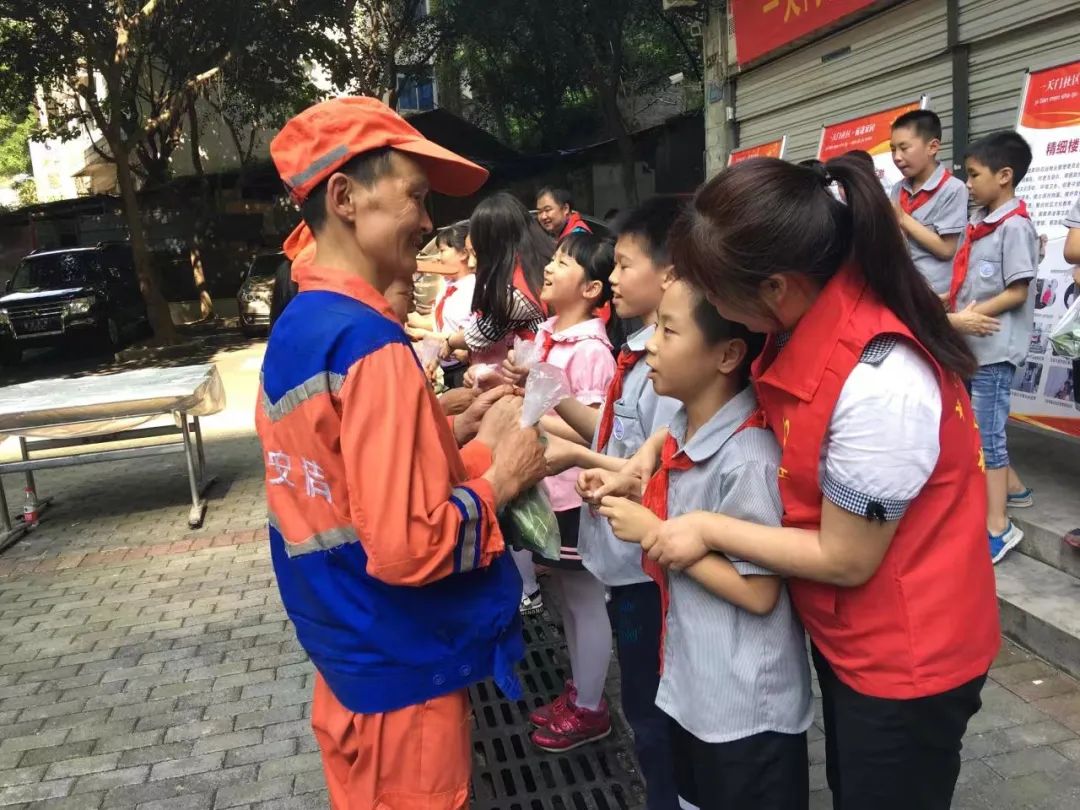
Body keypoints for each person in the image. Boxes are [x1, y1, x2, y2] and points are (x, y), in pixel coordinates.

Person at [623, 155, 998, 810]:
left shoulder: (881, 382)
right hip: (849, 637)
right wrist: (659, 439)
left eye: (716, 292)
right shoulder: (800, 322)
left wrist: (705, 527)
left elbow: (847, 559)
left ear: (773, 288)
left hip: (907, 657)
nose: (714, 308)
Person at [260, 97, 548, 810]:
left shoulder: (301, 328)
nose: (427, 221)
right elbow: (407, 542)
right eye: (415, 196)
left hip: (349, 651)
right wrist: (504, 478)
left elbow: (353, 490)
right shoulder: (371, 348)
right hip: (399, 668)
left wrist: (471, 447)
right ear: (344, 198)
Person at [588, 279, 813, 810]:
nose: (651, 346)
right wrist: (627, 479)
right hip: (694, 687)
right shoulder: (683, 428)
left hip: (743, 712)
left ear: (728, 354)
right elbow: (667, 463)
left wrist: (652, 534)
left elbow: (759, 593)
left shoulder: (748, 457)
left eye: (668, 330)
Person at [542, 197, 684, 810]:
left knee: (652, 711)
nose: (617, 280)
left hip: (646, 570)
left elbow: (651, 471)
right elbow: (614, 436)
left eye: (626, 266)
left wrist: (577, 459)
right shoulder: (636, 348)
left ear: (671, 274)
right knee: (643, 705)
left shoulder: (671, 361)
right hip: (625, 564)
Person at [503, 232, 618, 752]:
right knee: (569, 599)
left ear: (593, 288)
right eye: (552, 258)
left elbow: (598, 428)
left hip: (577, 493)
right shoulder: (547, 333)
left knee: (586, 598)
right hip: (550, 488)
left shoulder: (592, 351)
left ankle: (592, 707)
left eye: (564, 262)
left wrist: (537, 412)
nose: (548, 267)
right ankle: (583, 689)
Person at [949, 131, 1038, 563]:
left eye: (973, 175)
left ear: (1004, 176)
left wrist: (973, 311)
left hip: (996, 352)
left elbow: (1017, 291)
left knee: (989, 435)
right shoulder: (982, 225)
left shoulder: (1015, 227)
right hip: (975, 349)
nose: (967, 183)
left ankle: (998, 527)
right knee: (981, 429)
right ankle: (1015, 490)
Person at [443, 192, 552, 369]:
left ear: (495, 247)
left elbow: (477, 337)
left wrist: (449, 341)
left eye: (478, 253)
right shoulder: (538, 265)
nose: (472, 264)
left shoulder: (515, 296)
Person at [889, 110, 969, 297]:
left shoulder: (953, 189)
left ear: (932, 147)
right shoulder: (897, 189)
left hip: (933, 297)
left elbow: (947, 249)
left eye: (904, 148)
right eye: (893, 149)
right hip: (900, 290)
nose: (897, 157)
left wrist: (902, 218)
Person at [407, 223, 475, 388]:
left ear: (463, 253)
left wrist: (424, 334)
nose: (437, 257)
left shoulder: (474, 288)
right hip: (445, 367)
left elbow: (470, 335)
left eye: (442, 251)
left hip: (466, 370)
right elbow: (441, 322)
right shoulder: (447, 285)